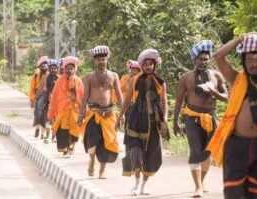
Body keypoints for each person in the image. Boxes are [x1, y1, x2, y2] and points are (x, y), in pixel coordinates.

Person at [207, 33, 257, 199]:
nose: (254, 64)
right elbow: (218, 56)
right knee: (234, 193)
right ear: (243, 62)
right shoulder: (235, 79)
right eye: (250, 60)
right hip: (237, 144)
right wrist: (240, 39)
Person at [173, 40, 228, 198]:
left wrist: (214, 93)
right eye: (200, 59)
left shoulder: (216, 76)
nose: (203, 62)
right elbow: (179, 100)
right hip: (192, 118)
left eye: (206, 59)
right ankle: (197, 187)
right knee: (195, 150)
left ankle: (201, 182)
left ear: (209, 59)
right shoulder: (186, 78)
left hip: (211, 118)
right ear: (194, 60)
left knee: (207, 152)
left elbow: (226, 97)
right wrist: (175, 121)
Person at [116, 49, 168, 196]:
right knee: (135, 152)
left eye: (150, 63)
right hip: (136, 121)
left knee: (152, 156)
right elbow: (126, 100)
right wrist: (120, 116)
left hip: (153, 123)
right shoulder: (135, 80)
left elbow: (164, 103)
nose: (148, 66)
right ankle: (137, 183)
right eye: (145, 64)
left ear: (154, 64)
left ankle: (144, 184)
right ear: (142, 65)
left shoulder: (160, 82)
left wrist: (164, 121)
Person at [78, 45, 123, 179]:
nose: (101, 62)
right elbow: (84, 97)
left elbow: (120, 96)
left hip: (109, 114)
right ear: (94, 61)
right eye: (98, 60)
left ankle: (102, 172)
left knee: (106, 143)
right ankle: (91, 160)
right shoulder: (88, 77)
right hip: (93, 113)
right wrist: (81, 114)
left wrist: (122, 114)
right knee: (91, 142)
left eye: (103, 59)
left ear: (107, 59)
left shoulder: (113, 76)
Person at [47, 56, 84, 157]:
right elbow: (54, 96)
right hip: (62, 111)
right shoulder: (59, 81)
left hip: (75, 110)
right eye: (67, 69)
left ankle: (71, 146)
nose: (69, 70)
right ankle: (65, 149)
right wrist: (51, 112)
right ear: (64, 69)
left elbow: (82, 96)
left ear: (74, 69)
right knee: (63, 130)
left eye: (71, 68)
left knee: (74, 130)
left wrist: (83, 111)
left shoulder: (79, 81)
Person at [34, 59, 61, 143]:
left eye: (55, 68)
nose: (53, 70)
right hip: (47, 100)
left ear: (57, 69)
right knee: (47, 118)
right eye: (52, 68)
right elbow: (39, 90)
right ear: (49, 69)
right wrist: (34, 99)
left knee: (56, 120)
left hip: (57, 101)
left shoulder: (60, 78)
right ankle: (45, 134)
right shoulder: (44, 77)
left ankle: (54, 137)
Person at [29, 55, 48, 138]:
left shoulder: (50, 76)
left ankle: (43, 133)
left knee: (45, 115)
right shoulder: (35, 76)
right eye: (42, 65)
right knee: (37, 113)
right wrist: (32, 100)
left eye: (46, 65)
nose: (44, 67)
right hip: (38, 96)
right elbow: (32, 89)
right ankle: (37, 129)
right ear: (39, 66)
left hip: (47, 97)